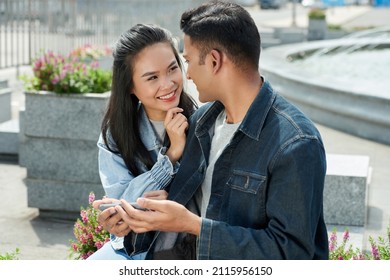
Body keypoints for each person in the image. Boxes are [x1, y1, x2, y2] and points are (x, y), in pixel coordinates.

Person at [101, 0, 329, 259]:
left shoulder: (295, 143)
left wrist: (192, 225)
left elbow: (292, 254)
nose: (186, 76)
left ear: (213, 61)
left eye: (186, 62)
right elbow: (181, 210)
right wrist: (135, 220)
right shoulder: (202, 122)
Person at [88, 23, 198, 260]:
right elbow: (123, 206)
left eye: (172, 69)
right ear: (130, 86)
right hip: (135, 248)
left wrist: (172, 202)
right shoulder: (115, 135)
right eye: (152, 77)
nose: (167, 84)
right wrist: (171, 156)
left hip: (188, 248)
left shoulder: (203, 121)